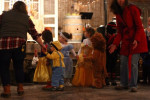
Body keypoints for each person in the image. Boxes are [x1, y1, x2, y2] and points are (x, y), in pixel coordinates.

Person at [0, 1, 45, 98]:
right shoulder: (26, 19)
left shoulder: (3, 15)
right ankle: (20, 88)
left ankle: (7, 90)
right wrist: (42, 45)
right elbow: (35, 34)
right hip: (19, 46)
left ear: (13, 7)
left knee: (4, 68)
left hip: (4, 45)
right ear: (24, 8)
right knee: (19, 67)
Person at [109, 0, 148, 92]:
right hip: (126, 40)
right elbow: (120, 32)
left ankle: (133, 85)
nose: (120, 1)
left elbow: (139, 27)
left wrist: (137, 40)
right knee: (123, 62)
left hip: (136, 40)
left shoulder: (133, 9)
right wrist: (115, 44)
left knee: (134, 63)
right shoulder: (118, 12)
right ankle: (123, 84)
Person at [105, 22, 118, 86]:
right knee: (107, 65)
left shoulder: (116, 36)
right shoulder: (105, 35)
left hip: (114, 53)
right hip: (107, 52)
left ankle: (113, 79)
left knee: (113, 66)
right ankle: (107, 78)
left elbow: (118, 44)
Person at [141, 17, 150, 85]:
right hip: (146, 50)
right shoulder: (145, 30)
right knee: (145, 65)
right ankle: (144, 79)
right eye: (148, 21)